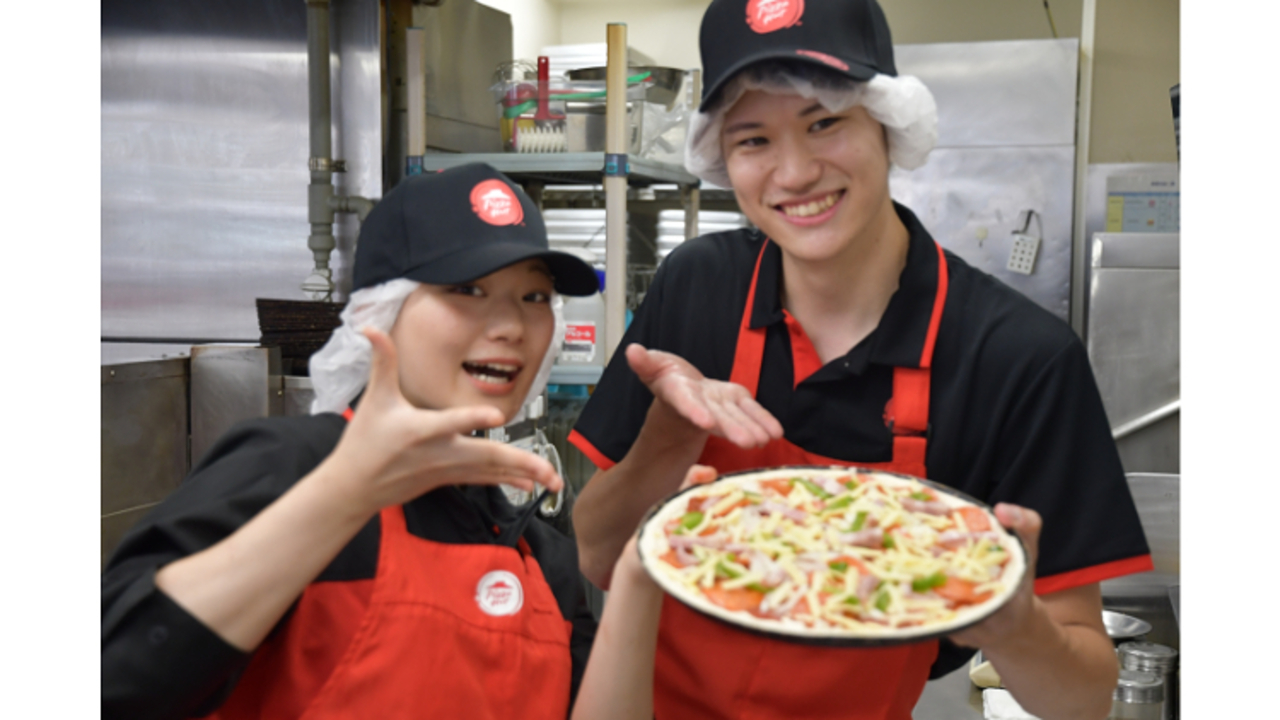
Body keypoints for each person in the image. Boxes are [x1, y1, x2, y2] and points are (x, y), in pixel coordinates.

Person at [567, 2, 1152, 719]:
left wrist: (1012, 624)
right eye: (753, 139)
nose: (794, 172)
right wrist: (669, 433)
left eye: (825, 122)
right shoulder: (698, 286)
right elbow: (597, 555)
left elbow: (1084, 698)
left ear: (889, 126)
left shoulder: (1018, 358)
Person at [101, 163, 601, 720]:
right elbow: (115, 683)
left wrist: (642, 578)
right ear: (380, 315)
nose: (511, 324)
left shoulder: (540, 555)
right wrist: (343, 495)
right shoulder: (291, 465)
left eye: (535, 296)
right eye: (467, 289)